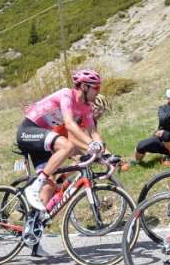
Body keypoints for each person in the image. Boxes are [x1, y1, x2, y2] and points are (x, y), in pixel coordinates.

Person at [20, 70, 106, 212]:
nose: (98, 91)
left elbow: (93, 132)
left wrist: (105, 154)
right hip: (28, 131)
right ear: (84, 87)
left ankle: (34, 221)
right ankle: (33, 188)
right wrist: (91, 144)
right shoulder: (67, 94)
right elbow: (69, 124)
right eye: (96, 87)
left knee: (49, 184)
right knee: (68, 146)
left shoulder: (85, 107)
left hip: (43, 141)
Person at [132, 89, 170, 166]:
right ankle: (137, 162)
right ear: (168, 99)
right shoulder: (163, 108)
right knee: (141, 145)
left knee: (166, 134)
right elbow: (163, 119)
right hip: (160, 139)